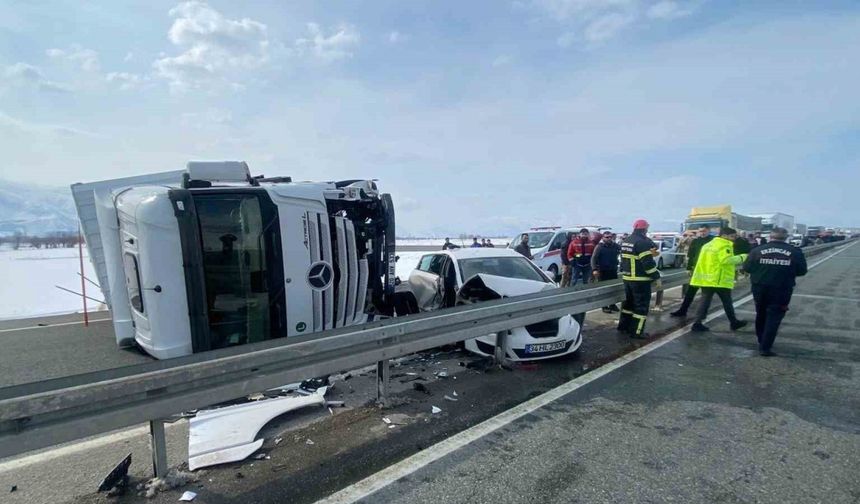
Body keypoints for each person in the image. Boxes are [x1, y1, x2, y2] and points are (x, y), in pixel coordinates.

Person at [744, 227, 807, 356]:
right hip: (782, 288)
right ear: (786, 237)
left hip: (759, 287)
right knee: (774, 316)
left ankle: (761, 340)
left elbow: (747, 268)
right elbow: (802, 271)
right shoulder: (795, 252)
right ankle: (765, 347)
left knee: (760, 313)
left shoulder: (757, 250)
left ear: (770, 237)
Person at [689, 227, 749, 332]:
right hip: (719, 279)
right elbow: (726, 260)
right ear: (724, 236)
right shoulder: (725, 245)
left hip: (707, 278)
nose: (733, 239)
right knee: (727, 302)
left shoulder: (708, 245)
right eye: (732, 236)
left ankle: (697, 323)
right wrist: (743, 257)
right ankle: (733, 322)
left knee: (705, 301)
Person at [618, 219, 660, 339]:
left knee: (628, 305)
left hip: (627, 278)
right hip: (640, 280)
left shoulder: (627, 240)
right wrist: (656, 276)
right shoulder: (642, 243)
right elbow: (648, 264)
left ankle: (624, 327)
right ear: (645, 229)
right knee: (641, 307)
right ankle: (637, 331)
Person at [670, 226, 713, 317]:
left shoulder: (713, 241)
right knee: (690, 292)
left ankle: (702, 314)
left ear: (709, 231)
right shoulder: (696, 241)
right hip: (697, 270)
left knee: (706, 295)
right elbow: (691, 256)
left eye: (704, 231)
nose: (702, 233)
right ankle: (683, 310)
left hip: (709, 271)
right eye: (700, 231)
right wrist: (689, 268)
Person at [591, 230, 621, 312]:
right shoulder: (599, 247)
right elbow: (593, 258)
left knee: (613, 289)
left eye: (610, 237)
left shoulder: (615, 246)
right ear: (603, 238)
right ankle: (604, 306)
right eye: (607, 237)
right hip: (603, 271)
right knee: (604, 290)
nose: (609, 239)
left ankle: (612, 305)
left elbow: (623, 250)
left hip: (613, 270)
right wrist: (594, 269)